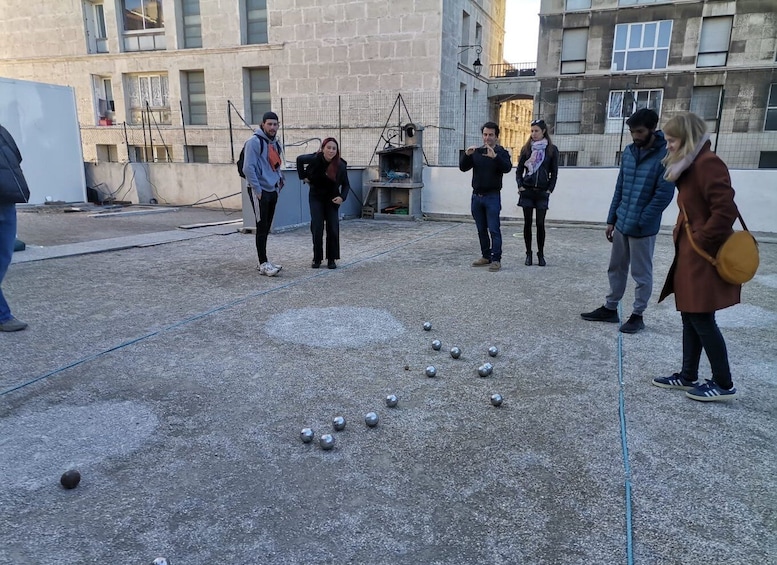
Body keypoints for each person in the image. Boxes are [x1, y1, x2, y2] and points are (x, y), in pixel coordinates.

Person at [652, 112, 740, 401]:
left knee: (702, 318)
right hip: (690, 253)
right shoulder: (689, 166)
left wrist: (702, 238)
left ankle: (723, 383)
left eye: (672, 140)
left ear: (686, 139)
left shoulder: (707, 164)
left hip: (703, 254)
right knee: (690, 316)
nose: (668, 146)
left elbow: (725, 210)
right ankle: (687, 375)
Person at [581, 108, 675, 333]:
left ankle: (637, 315)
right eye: (632, 131)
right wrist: (612, 219)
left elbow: (664, 195)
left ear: (652, 129)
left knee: (642, 274)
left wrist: (642, 220)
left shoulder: (667, 155)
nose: (635, 136)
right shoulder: (629, 152)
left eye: (640, 131)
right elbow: (620, 187)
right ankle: (610, 308)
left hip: (643, 229)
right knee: (616, 268)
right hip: (622, 223)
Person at [459, 121, 513, 272]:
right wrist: (467, 155)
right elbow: (463, 168)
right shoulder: (477, 152)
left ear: (496, 136)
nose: (487, 138)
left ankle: (496, 259)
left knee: (494, 229)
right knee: (481, 229)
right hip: (476, 197)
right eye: (485, 134)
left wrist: (495, 157)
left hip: (492, 197)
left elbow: (507, 168)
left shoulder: (501, 152)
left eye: (491, 135)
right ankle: (485, 256)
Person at [242, 111, 285, 277]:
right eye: (270, 124)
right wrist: (257, 189)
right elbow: (248, 168)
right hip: (259, 190)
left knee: (266, 226)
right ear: (263, 124)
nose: (273, 127)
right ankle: (263, 263)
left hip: (272, 188)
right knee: (261, 227)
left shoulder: (274, 142)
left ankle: (264, 261)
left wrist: (280, 180)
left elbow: (275, 164)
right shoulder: (254, 142)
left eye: (275, 124)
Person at [296, 137, 350, 269]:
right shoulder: (315, 159)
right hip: (316, 197)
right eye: (329, 148)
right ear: (323, 148)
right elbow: (299, 160)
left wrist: (342, 198)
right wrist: (303, 176)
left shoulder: (340, 165)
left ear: (337, 151)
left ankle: (331, 259)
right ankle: (317, 258)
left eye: (334, 148)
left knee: (332, 227)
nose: (331, 151)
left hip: (332, 199)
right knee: (317, 227)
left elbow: (346, 185)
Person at [0, 124, 31, 332]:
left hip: (6, 201)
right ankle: (3, 316)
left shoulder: (2, 131)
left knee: (3, 257)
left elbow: (16, 158)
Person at [516, 119, 558, 266]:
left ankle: (541, 254)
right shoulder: (527, 149)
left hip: (542, 193)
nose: (533, 134)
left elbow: (554, 172)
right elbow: (519, 170)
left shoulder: (551, 150)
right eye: (532, 131)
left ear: (543, 131)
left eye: (536, 131)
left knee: (540, 224)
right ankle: (529, 254)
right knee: (527, 223)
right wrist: (520, 186)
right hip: (527, 191)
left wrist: (549, 189)